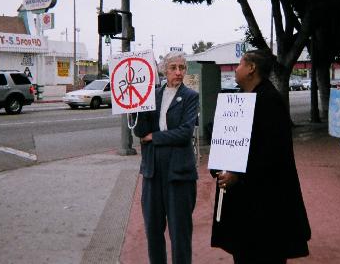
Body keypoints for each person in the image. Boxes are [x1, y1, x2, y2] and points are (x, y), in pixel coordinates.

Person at [210, 49, 311, 263]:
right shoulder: (241, 99)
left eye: (239, 64)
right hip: (245, 208)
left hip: (265, 209)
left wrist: (238, 175)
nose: (235, 70)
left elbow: (273, 153)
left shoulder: (269, 100)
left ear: (251, 68)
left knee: (264, 255)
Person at [133, 51, 199, 264]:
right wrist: (137, 107)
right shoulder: (151, 95)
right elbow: (140, 133)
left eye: (182, 68)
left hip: (178, 172)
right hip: (152, 171)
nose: (178, 73)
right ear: (164, 70)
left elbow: (185, 133)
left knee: (180, 232)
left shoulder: (190, 96)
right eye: (174, 68)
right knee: (153, 229)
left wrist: (155, 136)